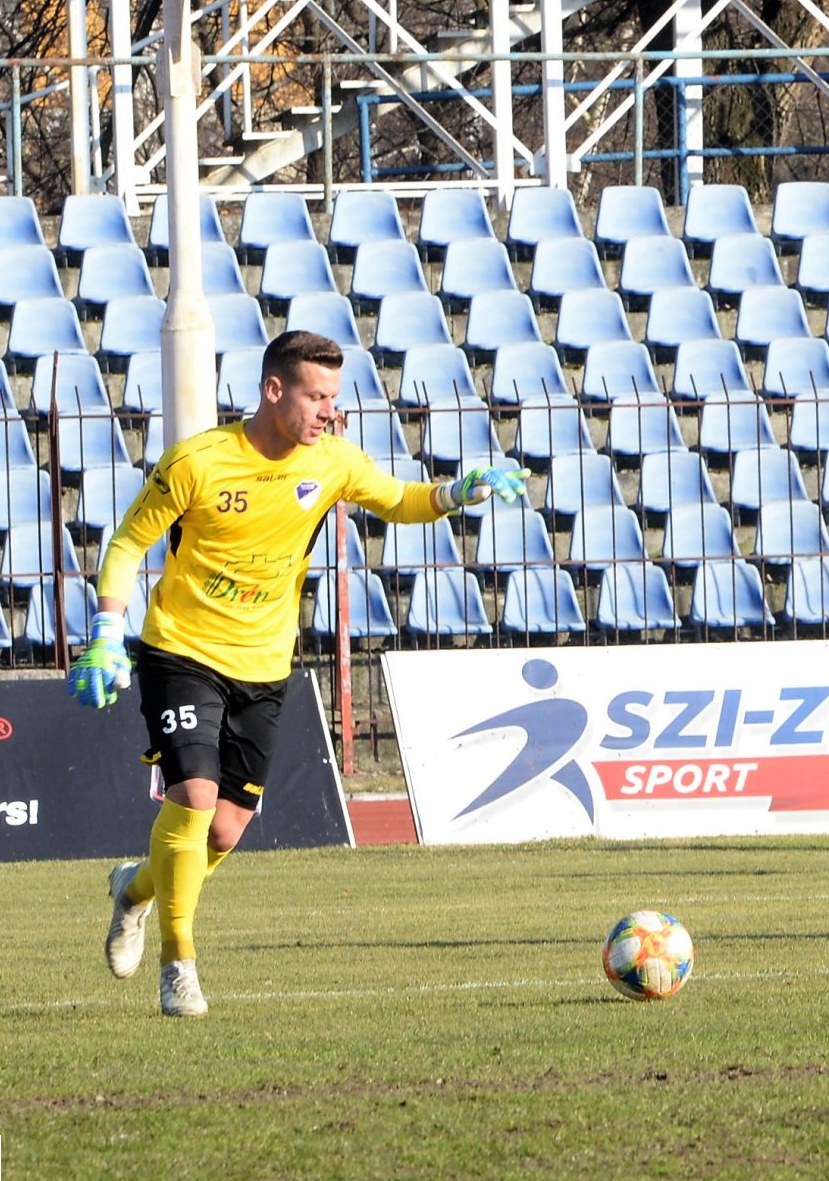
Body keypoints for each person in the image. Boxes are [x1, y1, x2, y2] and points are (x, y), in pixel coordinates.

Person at [69, 330, 528, 1016]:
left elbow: (398, 498)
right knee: (192, 797)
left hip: (265, 664)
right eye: (316, 396)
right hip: (182, 652)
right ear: (273, 389)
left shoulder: (333, 461)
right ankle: (179, 964)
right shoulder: (199, 463)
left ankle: (133, 891)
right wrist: (107, 634)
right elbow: (129, 542)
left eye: (334, 399)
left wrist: (460, 491)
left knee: (223, 832)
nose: (327, 412)